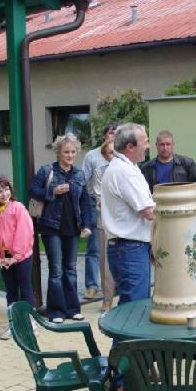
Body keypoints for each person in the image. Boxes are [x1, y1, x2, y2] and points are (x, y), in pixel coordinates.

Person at [29, 133, 95, 323]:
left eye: (73, 151)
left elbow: (85, 202)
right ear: (58, 152)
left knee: (71, 269)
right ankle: (56, 311)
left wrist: (87, 225)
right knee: (56, 270)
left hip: (72, 227)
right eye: (66, 152)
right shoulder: (47, 171)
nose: (70, 155)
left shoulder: (79, 174)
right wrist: (52, 191)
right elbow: (32, 190)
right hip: (51, 227)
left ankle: (73, 309)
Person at [101, 123, 155, 306]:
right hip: (130, 249)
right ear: (130, 146)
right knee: (134, 308)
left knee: (134, 306)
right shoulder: (124, 172)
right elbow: (149, 211)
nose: (148, 146)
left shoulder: (127, 167)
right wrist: (178, 214)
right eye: (145, 142)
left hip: (129, 248)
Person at [0, 175, 35, 339]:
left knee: (25, 288)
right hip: (4, 259)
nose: (4, 194)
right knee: (11, 291)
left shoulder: (18, 208)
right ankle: (14, 323)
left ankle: (30, 323)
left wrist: (15, 257)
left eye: (6, 189)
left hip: (22, 257)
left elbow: (24, 233)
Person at [82, 123, 116, 302]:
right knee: (94, 247)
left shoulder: (122, 156)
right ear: (105, 135)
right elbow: (84, 179)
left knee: (113, 247)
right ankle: (91, 285)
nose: (113, 136)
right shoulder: (92, 156)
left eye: (117, 133)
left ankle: (112, 285)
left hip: (115, 207)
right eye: (111, 133)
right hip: (94, 203)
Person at [89, 139, 116, 314]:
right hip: (106, 224)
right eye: (110, 153)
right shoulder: (100, 173)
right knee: (106, 263)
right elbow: (100, 201)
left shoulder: (131, 170)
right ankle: (107, 300)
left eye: (116, 152)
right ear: (105, 156)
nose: (114, 156)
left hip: (127, 224)